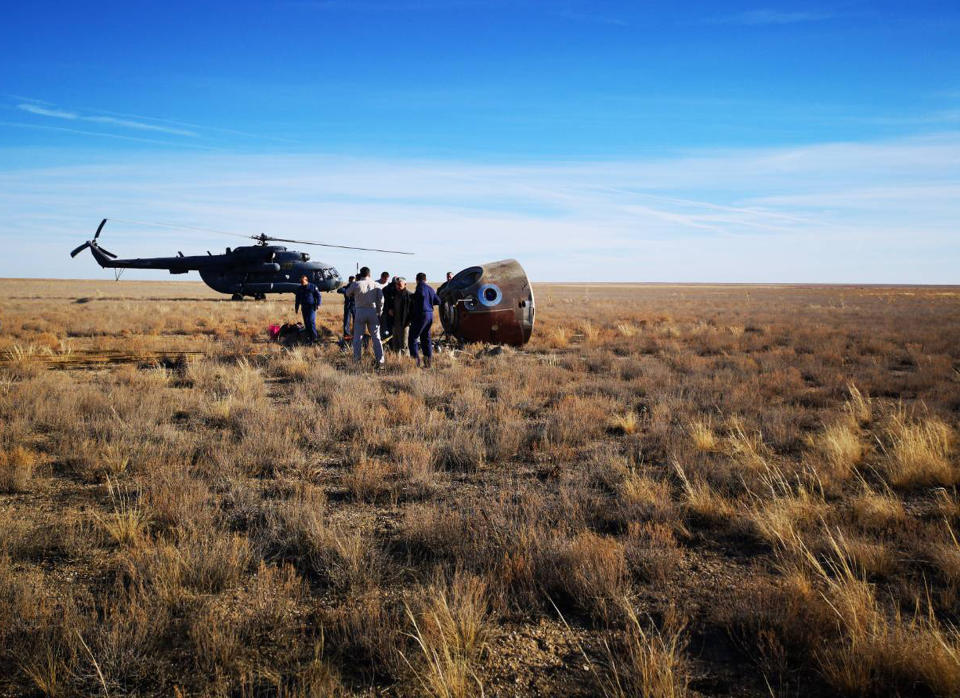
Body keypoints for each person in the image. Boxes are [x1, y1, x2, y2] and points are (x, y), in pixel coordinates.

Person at [347, 266, 384, 367]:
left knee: (358, 337)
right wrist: (379, 312)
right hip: (373, 311)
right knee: (376, 337)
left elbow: (347, 293)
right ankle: (380, 361)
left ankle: (357, 360)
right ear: (369, 274)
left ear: (360, 274)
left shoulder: (356, 284)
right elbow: (381, 300)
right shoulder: (376, 284)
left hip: (360, 310)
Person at [409, 272, 440, 368]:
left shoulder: (419, 288)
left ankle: (416, 363)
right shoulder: (430, 289)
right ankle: (428, 363)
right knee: (426, 339)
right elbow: (438, 301)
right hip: (430, 315)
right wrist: (429, 302)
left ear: (416, 279)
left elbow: (419, 298)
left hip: (421, 315)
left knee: (412, 338)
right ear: (426, 279)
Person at [294, 274, 321, 344]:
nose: (301, 283)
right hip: (304, 307)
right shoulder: (299, 288)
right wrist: (296, 308)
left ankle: (315, 338)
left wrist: (318, 304)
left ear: (306, 281)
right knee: (306, 322)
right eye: (301, 282)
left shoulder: (313, 287)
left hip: (311, 307)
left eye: (302, 282)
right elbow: (297, 299)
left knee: (311, 321)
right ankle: (309, 337)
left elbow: (318, 296)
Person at [388, 276, 413, 353]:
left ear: (405, 285)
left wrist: (409, 322)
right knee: (395, 345)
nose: (398, 286)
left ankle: (405, 362)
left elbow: (412, 311)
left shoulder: (410, 296)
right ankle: (397, 362)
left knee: (404, 345)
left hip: (405, 324)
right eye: (397, 284)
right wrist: (390, 310)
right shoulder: (393, 295)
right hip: (395, 324)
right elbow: (390, 306)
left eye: (400, 285)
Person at [380, 275, 397, 340]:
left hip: (386, 311)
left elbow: (382, 301)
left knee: (386, 328)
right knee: (393, 328)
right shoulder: (396, 288)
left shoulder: (385, 288)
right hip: (393, 312)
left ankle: (386, 341)